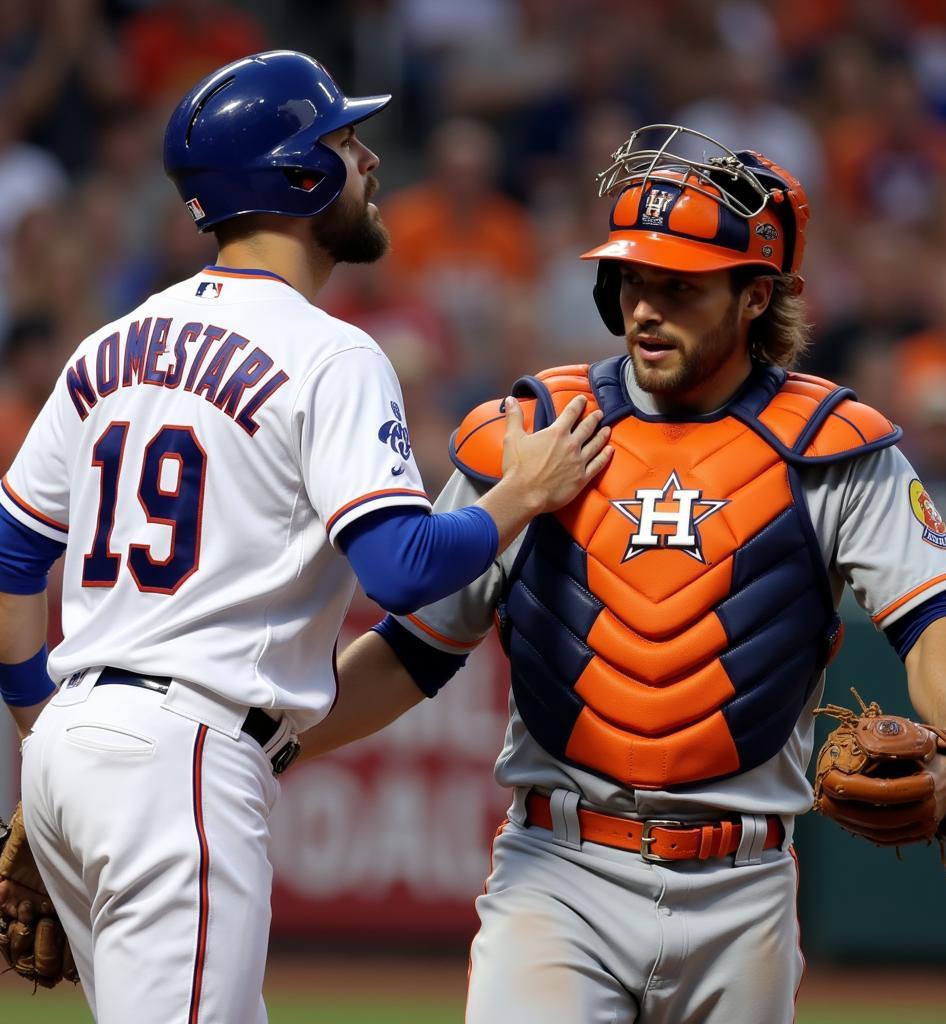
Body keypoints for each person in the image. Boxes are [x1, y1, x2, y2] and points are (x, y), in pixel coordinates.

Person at [302, 124, 946, 1023]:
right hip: (559, 874)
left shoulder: (833, 446)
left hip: (743, 891)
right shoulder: (537, 431)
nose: (645, 309)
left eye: (680, 286)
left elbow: (933, 621)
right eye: (631, 279)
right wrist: (262, 746)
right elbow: (413, 653)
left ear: (755, 297)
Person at [0, 50, 610, 1021]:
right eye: (345, 142)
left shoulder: (111, 343)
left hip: (81, 746)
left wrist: (44, 727)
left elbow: (13, 548)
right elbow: (403, 567)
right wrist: (519, 495)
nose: (368, 161)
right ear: (298, 176)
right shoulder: (329, 351)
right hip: (180, 759)